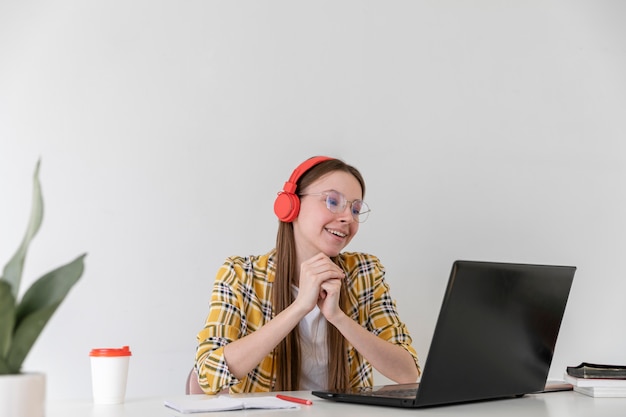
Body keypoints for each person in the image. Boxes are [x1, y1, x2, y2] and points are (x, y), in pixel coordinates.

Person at [195, 156, 420, 394]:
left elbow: (407, 373)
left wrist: (338, 317)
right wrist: (299, 307)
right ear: (290, 205)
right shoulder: (241, 274)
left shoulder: (365, 272)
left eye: (355, 209)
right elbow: (208, 376)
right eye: (333, 201)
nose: (348, 218)